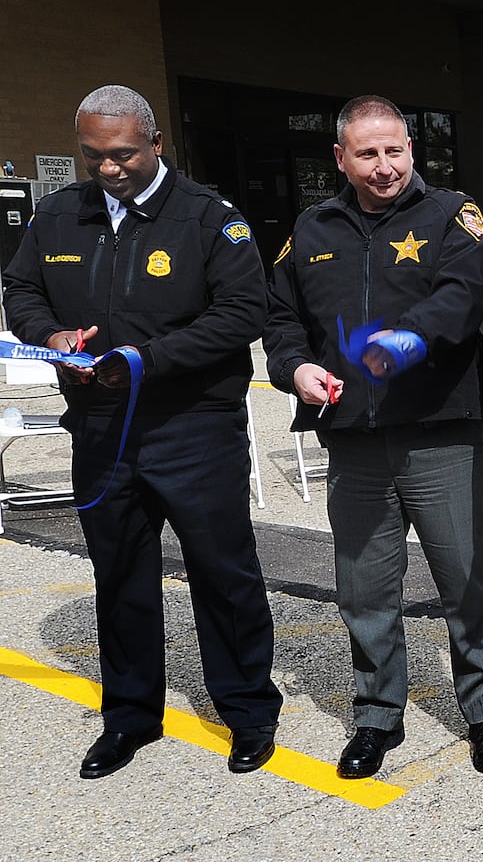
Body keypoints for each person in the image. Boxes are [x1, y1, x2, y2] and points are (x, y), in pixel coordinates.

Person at [2, 84, 283, 778]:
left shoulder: (210, 219)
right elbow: (21, 291)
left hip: (195, 429)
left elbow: (242, 314)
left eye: (123, 153)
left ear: (157, 145)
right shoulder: (58, 215)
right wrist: (52, 335)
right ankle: (130, 718)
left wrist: (145, 360)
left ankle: (248, 711)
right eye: (94, 155)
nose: (108, 168)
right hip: (101, 430)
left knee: (224, 574)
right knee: (121, 574)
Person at [264, 94, 483, 779]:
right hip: (354, 439)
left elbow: (467, 295)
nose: (384, 166)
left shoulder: (452, 214)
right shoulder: (312, 230)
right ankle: (377, 714)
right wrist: (297, 368)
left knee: (466, 579)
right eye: (368, 153)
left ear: (412, 150)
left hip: (439, 432)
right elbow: (281, 320)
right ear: (340, 158)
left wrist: (412, 336)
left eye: (395, 150)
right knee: (365, 587)